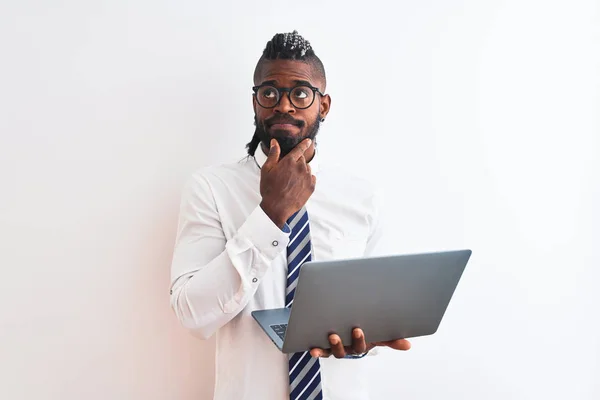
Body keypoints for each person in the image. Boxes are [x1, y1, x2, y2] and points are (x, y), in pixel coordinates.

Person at [170, 30, 411, 400]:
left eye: (300, 93)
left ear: (324, 105)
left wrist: (364, 340)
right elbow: (193, 314)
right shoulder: (211, 188)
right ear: (255, 103)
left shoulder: (362, 197)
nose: (284, 105)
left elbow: (378, 313)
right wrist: (270, 213)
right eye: (270, 92)